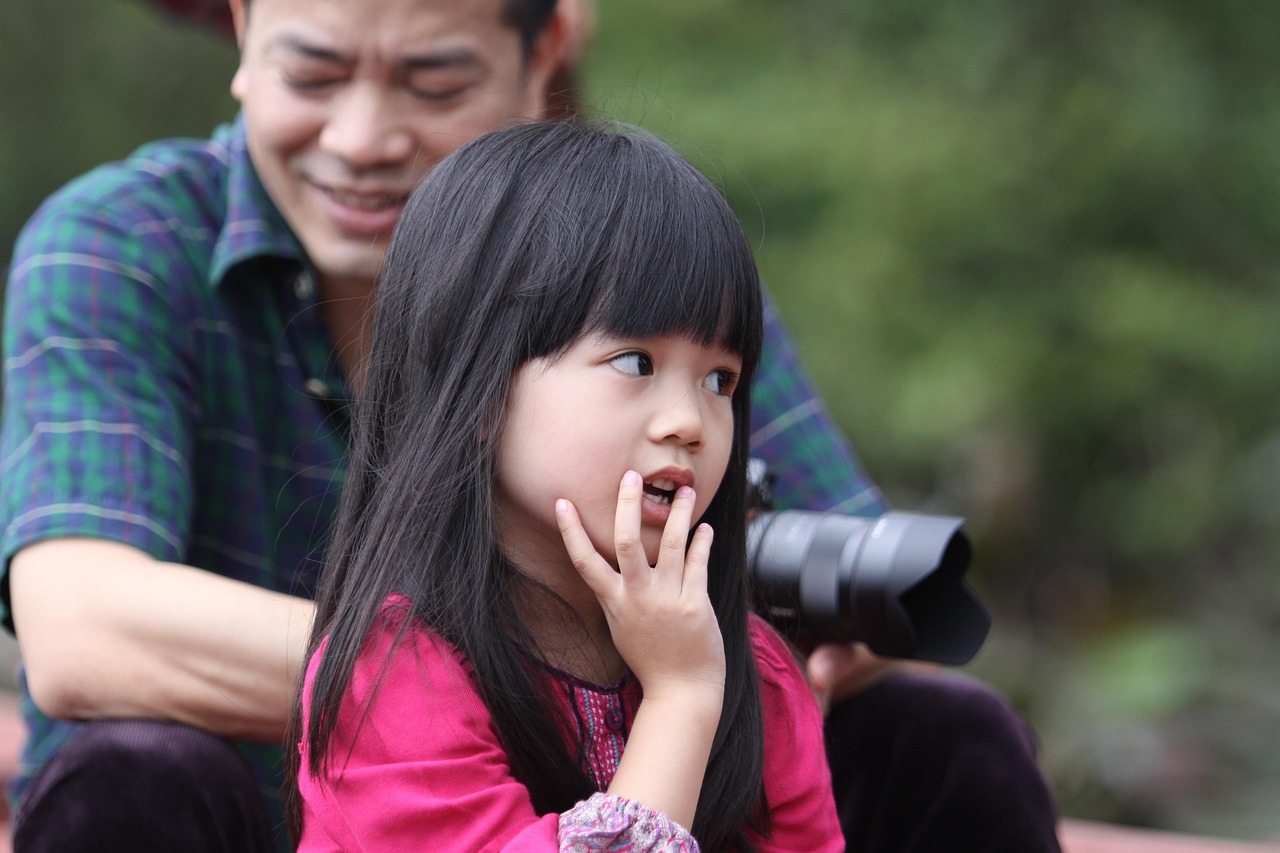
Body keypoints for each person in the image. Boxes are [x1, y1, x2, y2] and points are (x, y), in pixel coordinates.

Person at [0, 0, 1060, 850]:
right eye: (313, 74)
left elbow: (870, 599)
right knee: (131, 773)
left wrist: (735, 668)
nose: (362, 139)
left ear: (542, 50)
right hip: (278, 799)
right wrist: (528, 668)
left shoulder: (644, 277)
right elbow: (85, 634)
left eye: (434, 79)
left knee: (940, 730)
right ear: (240, 30)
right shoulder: (124, 242)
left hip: (642, 779)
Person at [292, 119, 841, 852]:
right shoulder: (395, 673)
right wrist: (679, 699)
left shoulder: (756, 672)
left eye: (720, 379)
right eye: (635, 362)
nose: (690, 422)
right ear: (480, 391)